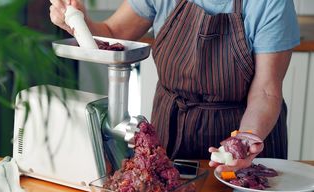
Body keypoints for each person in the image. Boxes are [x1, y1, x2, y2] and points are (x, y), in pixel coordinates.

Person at [50, 0, 300, 172]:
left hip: (244, 131)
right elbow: (112, 33)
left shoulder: (270, 3)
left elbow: (266, 90)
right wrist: (76, 21)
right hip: (172, 131)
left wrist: (244, 142)